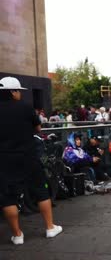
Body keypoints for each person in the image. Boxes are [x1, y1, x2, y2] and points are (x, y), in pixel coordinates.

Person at [0, 77, 62, 245]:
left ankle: (17, 235)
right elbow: (38, 128)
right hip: (28, 156)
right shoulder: (26, 108)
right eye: (18, 91)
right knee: (41, 191)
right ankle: (50, 228)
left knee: (8, 197)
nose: (19, 94)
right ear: (12, 91)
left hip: (4, 160)